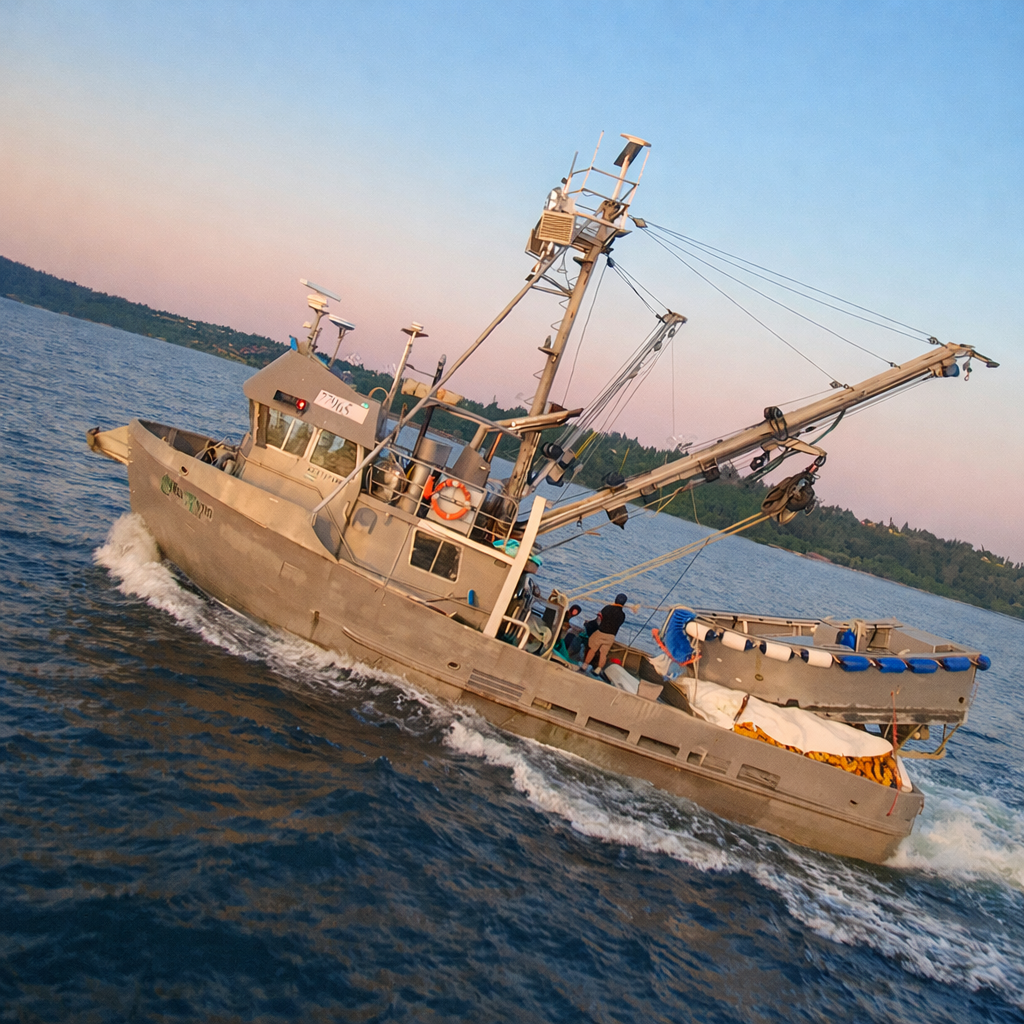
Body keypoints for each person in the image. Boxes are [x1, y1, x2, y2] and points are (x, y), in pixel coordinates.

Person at [582, 593, 628, 674]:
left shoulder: (607, 608)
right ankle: (598, 670)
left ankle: (585, 666)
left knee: (592, 649)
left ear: (615, 599)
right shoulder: (622, 615)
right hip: (611, 636)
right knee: (603, 653)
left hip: (601, 632)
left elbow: (599, 619)